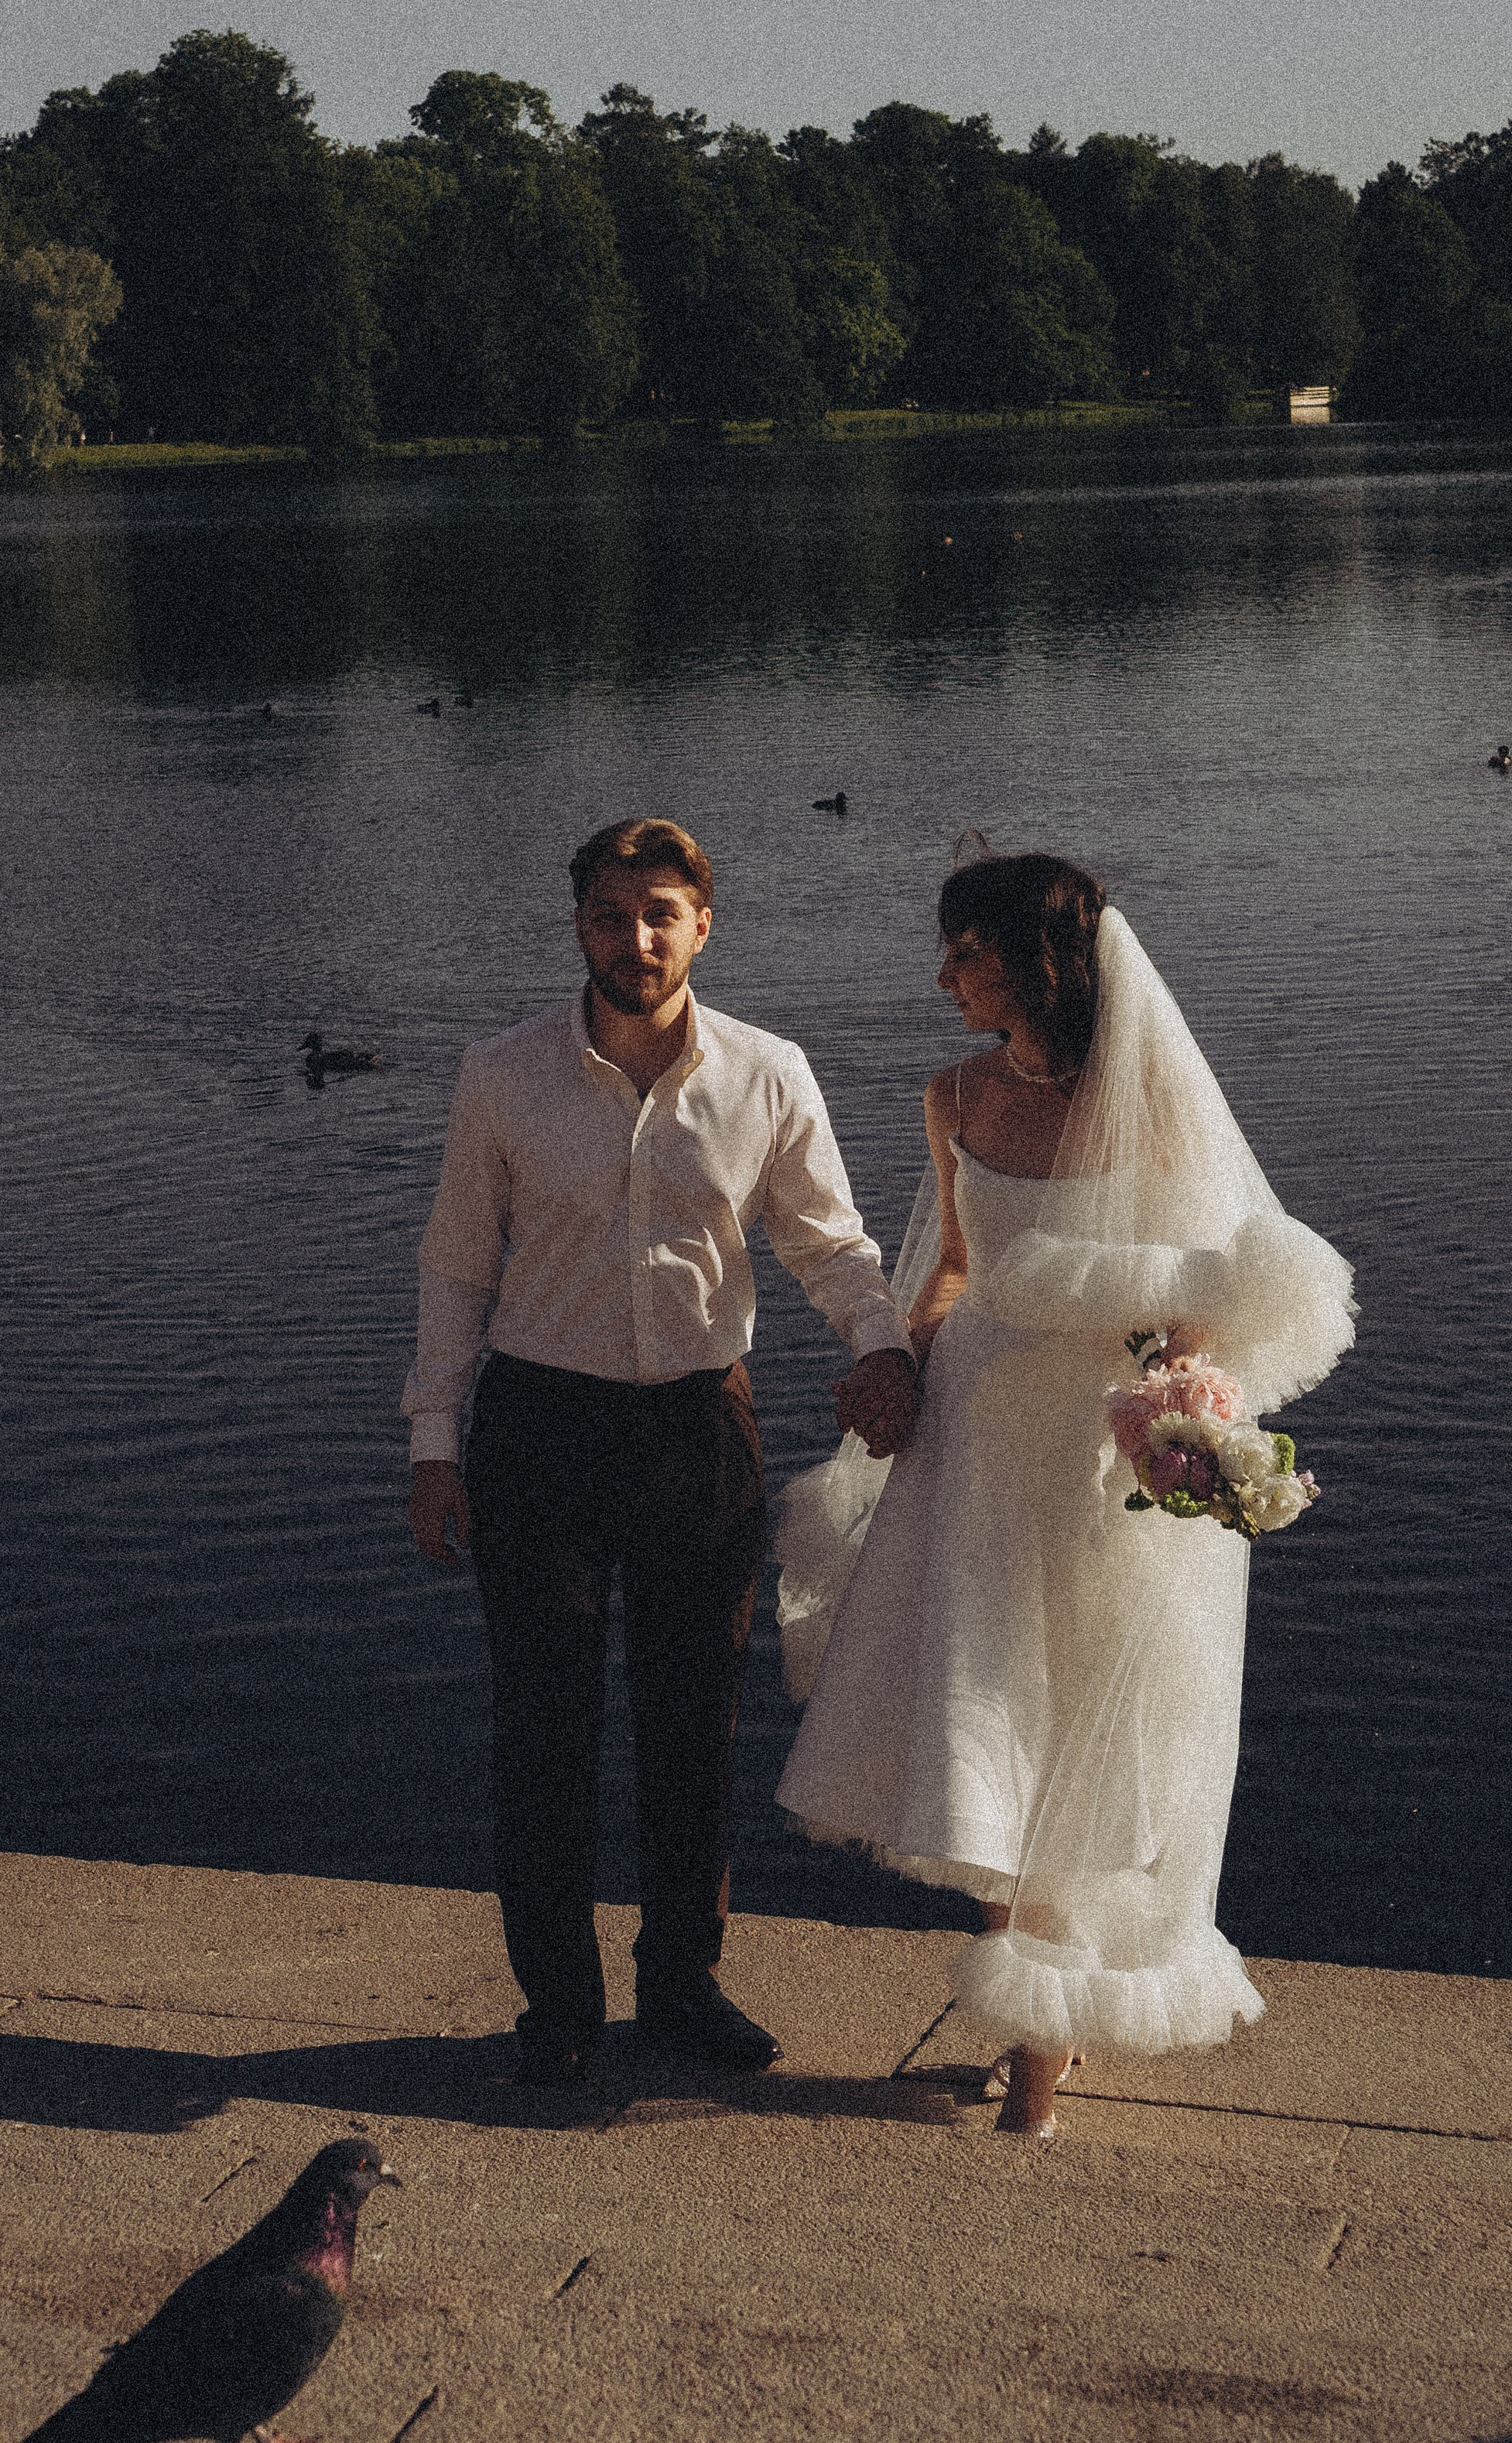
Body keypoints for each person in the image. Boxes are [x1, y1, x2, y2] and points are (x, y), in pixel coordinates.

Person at [775, 852, 1356, 2140]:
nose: (944, 976)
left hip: (1099, 1454)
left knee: (1084, 1724)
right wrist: (898, 1371)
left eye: (966, 952)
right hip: (977, 1440)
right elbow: (952, 1271)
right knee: (988, 1722)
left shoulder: (1153, 1109)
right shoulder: (954, 1095)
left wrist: (1176, 1413)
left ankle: (1040, 2045)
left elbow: (1198, 1300)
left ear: (1039, 964)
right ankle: (1039, 2029)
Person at [405, 816, 918, 2087]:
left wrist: (884, 1347)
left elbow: (828, 1242)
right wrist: (433, 1441)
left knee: (696, 1726)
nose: (634, 940)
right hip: (538, 1430)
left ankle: (682, 1987)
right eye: (609, 916)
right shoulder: (503, 1075)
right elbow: (458, 1264)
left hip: (699, 1429)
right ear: (578, 925)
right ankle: (560, 2010)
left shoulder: (768, 1074)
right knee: (545, 1731)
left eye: (659, 916)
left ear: (703, 927)